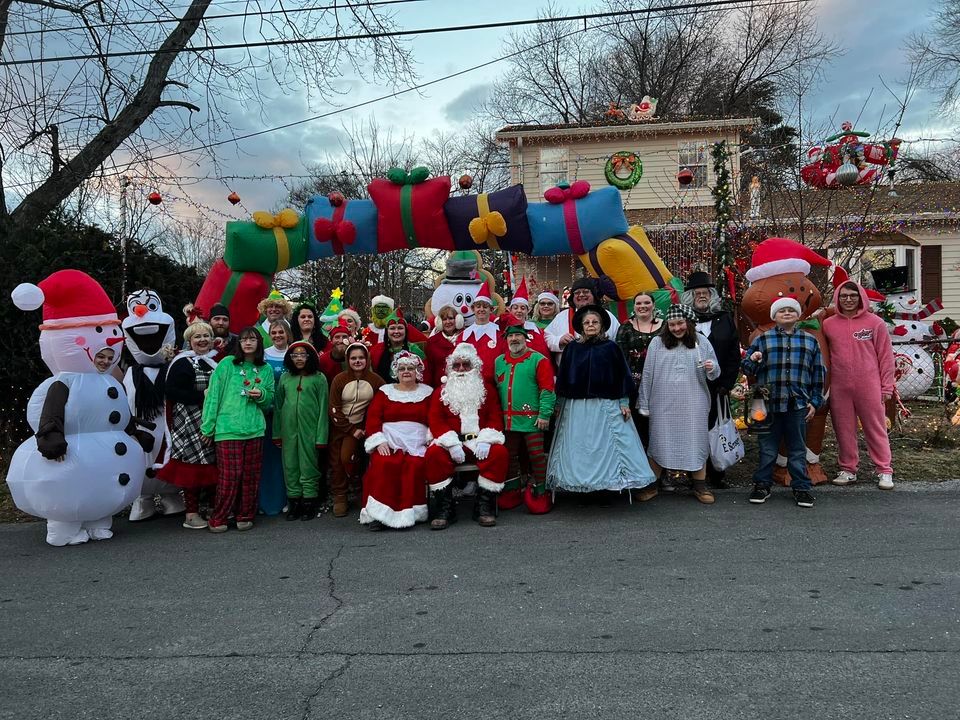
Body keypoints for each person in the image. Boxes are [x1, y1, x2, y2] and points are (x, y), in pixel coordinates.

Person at [546, 305, 656, 496]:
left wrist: (623, 402)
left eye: (594, 322)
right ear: (581, 326)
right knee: (580, 447)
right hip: (576, 407)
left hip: (605, 405)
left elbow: (622, 376)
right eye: (587, 322)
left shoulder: (611, 348)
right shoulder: (572, 349)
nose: (590, 325)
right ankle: (582, 488)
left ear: (601, 326)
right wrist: (558, 404)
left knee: (604, 447)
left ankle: (605, 489)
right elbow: (563, 378)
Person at [741, 296, 826, 509]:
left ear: (798, 315)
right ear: (774, 316)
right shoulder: (762, 339)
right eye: (782, 311)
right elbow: (747, 369)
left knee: (797, 447)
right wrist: (752, 360)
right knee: (767, 447)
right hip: (765, 403)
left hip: (797, 404)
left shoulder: (810, 341)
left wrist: (815, 402)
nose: (786, 313)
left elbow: (818, 374)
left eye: (791, 310)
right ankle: (762, 484)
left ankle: (801, 487)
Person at [637, 304, 721, 505]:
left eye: (680, 323)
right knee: (659, 441)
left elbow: (715, 371)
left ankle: (700, 486)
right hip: (662, 403)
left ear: (689, 323)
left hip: (694, 402)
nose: (676, 328)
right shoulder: (657, 343)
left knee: (695, 441)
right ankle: (652, 485)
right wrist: (644, 402)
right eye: (672, 324)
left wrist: (712, 367)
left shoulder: (701, 342)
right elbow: (647, 374)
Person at [424, 343, 508, 529]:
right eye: (457, 365)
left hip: (479, 442)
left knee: (499, 453)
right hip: (451, 442)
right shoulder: (441, 392)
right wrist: (451, 443)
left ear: (474, 367)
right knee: (433, 455)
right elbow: (435, 420)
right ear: (450, 368)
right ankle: (445, 508)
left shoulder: (486, 390)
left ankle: (483, 506)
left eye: (466, 365)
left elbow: (495, 418)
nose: (461, 369)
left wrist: (486, 440)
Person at [823, 281, 896, 490]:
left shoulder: (875, 323)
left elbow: (886, 357)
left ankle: (884, 470)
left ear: (861, 297)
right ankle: (848, 469)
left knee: (876, 428)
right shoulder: (829, 324)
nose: (848, 299)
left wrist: (887, 387)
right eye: (844, 296)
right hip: (839, 387)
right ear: (837, 298)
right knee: (844, 429)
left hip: (869, 385)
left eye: (853, 295)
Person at [200, 326, 274, 532]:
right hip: (227, 429)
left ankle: (245, 514)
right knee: (230, 476)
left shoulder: (265, 369)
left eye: (252, 339)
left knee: (251, 476)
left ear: (259, 343)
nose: (248, 343)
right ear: (239, 343)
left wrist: (262, 395)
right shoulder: (226, 365)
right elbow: (213, 396)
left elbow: (270, 402)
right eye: (244, 340)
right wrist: (208, 427)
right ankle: (219, 517)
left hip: (255, 429)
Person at [682, 272, 743, 488]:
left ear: (711, 295)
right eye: (697, 293)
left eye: (705, 293)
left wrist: (727, 383)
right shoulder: (683, 320)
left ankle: (717, 472)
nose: (701, 296)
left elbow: (734, 354)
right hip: (691, 386)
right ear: (691, 297)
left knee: (716, 428)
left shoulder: (724, 318)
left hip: (718, 386)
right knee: (693, 429)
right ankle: (695, 474)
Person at [360, 351, 433, 530]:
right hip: (389, 443)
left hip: (417, 444)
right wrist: (379, 441)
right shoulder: (385, 392)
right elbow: (373, 418)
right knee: (385, 464)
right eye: (402, 368)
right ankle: (379, 516)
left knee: (414, 465)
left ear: (418, 372)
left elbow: (435, 418)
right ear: (396, 372)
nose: (406, 371)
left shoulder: (428, 393)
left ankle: (412, 513)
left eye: (410, 368)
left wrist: (431, 439)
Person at [158, 321, 220, 529]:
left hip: (214, 419)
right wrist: (200, 396)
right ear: (190, 341)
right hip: (190, 421)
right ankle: (191, 514)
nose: (202, 340)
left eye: (206, 336)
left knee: (213, 464)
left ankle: (211, 507)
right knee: (192, 467)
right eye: (197, 337)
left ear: (212, 339)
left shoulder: (215, 362)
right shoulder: (182, 363)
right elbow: (172, 391)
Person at [494, 323, 556, 514]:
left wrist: (544, 414)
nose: (514, 340)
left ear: (525, 338)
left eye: (518, 336)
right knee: (509, 455)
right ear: (506, 340)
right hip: (508, 420)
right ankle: (513, 489)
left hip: (532, 420)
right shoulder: (499, 361)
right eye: (510, 337)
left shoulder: (538, 360)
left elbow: (547, 389)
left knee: (536, 455)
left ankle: (541, 490)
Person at [273, 341, 330, 521]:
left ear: (310, 357)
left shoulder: (319, 378)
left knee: (308, 466)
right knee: (290, 466)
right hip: (288, 430)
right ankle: (294, 503)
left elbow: (323, 408)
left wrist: (321, 436)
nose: (299, 358)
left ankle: (309, 503)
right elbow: (278, 407)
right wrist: (277, 433)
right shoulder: (285, 378)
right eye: (295, 355)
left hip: (310, 430)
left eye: (303, 355)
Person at [329, 342, 385, 517]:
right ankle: (340, 496)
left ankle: (358, 486)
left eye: (361, 357)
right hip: (340, 425)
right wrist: (349, 428)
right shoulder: (340, 379)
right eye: (353, 358)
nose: (357, 361)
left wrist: (367, 427)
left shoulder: (375, 380)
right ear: (348, 360)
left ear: (367, 359)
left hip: (361, 425)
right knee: (337, 461)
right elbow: (334, 407)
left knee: (349, 457)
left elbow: (383, 400)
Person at [615, 291, 662, 446]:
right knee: (637, 428)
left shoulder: (665, 326)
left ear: (653, 305)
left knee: (659, 425)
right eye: (639, 303)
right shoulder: (625, 327)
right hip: (633, 386)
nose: (643, 306)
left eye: (647, 303)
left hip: (660, 384)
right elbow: (619, 360)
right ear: (634, 306)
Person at [544, 277, 620, 362]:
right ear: (572, 297)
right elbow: (546, 338)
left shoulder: (607, 316)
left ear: (594, 295)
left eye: (585, 291)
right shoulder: (561, 317)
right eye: (577, 293)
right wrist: (559, 340)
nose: (581, 295)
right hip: (570, 372)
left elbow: (618, 342)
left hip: (602, 371)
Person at [259, 319, 292, 516]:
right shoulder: (263, 355)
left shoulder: (295, 352)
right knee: (268, 458)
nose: (278, 336)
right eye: (274, 332)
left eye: (281, 332)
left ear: (288, 333)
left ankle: (287, 498)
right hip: (269, 414)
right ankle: (266, 501)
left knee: (286, 459)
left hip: (289, 414)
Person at [455, 281, 504, 382]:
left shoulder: (500, 334)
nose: (481, 309)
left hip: (495, 383)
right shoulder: (464, 336)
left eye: (485, 307)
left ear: (491, 310)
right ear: (473, 309)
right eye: (478, 306)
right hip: (470, 384)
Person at [371, 310, 426, 382]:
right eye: (392, 328)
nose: (396, 331)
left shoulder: (415, 351)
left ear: (406, 331)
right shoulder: (376, 351)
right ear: (387, 331)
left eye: (400, 328)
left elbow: (424, 377)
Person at [425, 304, 462, 388]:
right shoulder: (432, 342)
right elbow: (430, 369)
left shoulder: (465, 338)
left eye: (451, 318)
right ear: (439, 322)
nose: (448, 322)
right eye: (444, 319)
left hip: (461, 386)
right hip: (439, 386)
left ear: (457, 320)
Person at [319, 320, 352, 386]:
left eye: (344, 337)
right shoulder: (322, 360)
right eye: (337, 337)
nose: (341, 340)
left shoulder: (356, 357)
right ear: (331, 340)